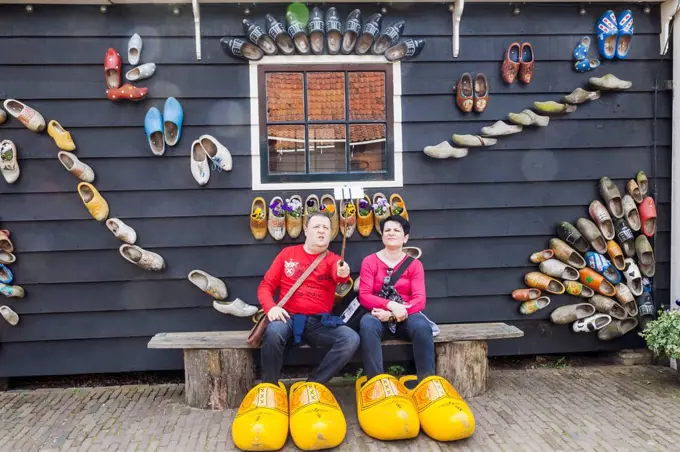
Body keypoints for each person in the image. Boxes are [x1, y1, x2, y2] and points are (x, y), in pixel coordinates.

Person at [257, 211, 360, 384]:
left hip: (319, 323)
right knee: (274, 332)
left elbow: (339, 274)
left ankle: (314, 384)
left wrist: (343, 272)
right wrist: (271, 307)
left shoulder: (333, 260)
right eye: (316, 227)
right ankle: (270, 386)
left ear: (331, 233)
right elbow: (265, 286)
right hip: (287, 317)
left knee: (350, 339)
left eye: (326, 228)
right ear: (306, 230)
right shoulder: (287, 254)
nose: (321, 231)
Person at [358, 215, 435, 381]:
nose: (391, 233)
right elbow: (364, 296)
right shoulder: (370, 262)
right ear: (382, 235)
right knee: (367, 324)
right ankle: (376, 382)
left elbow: (419, 300)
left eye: (396, 230)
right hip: (378, 314)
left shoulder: (414, 265)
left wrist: (393, 315)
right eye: (387, 230)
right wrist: (391, 305)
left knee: (422, 326)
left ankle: (426, 382)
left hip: (406, 316)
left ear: (405, 237)